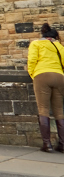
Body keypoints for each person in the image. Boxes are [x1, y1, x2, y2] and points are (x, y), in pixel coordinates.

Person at [27, 23, 64, 152]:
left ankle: (47, 144)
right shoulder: (59, 46)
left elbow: (32, 60)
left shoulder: (36, 44)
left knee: (43, 109)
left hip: (42, 75)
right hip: (59, 76)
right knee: (59, 111)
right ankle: (62, 144)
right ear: (54, 37)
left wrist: (33, 74)